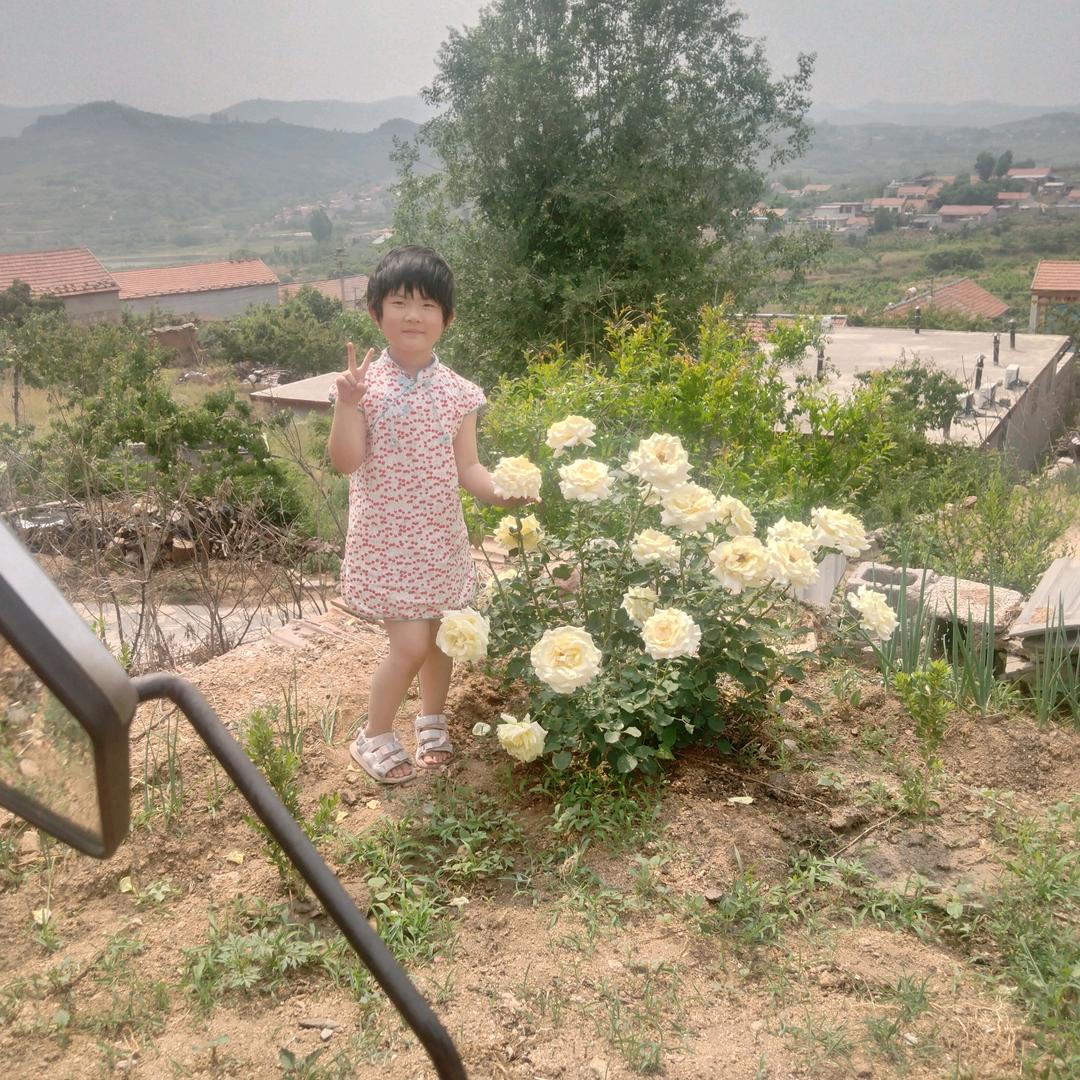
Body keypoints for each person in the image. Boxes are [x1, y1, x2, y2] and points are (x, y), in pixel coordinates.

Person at [328, 245, 524, 784]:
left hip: (441, 539)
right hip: (387, 542)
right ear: (376, 313)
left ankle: (431, 720)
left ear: (447, 318)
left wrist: (503, 492)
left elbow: (470, 469)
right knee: (410, 644)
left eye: (428, 305)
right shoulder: (361, 388)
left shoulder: (458, 392)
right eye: (400, 302)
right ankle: (373, 737)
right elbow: (346, 463)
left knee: (443, 638)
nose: (414, 315)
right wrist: (347, 403)